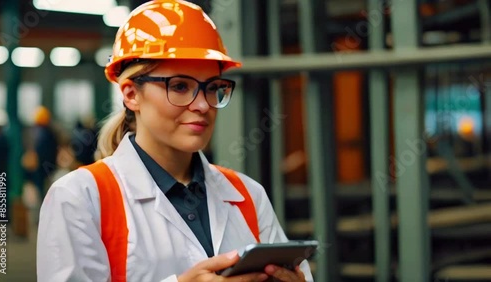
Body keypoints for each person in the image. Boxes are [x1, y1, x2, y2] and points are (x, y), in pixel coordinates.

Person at [37, 1, 314, 281]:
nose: (204, 105)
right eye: (180, 86)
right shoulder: (79, 198)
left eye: (213, 88)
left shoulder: (248, 196)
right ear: (131, 94)